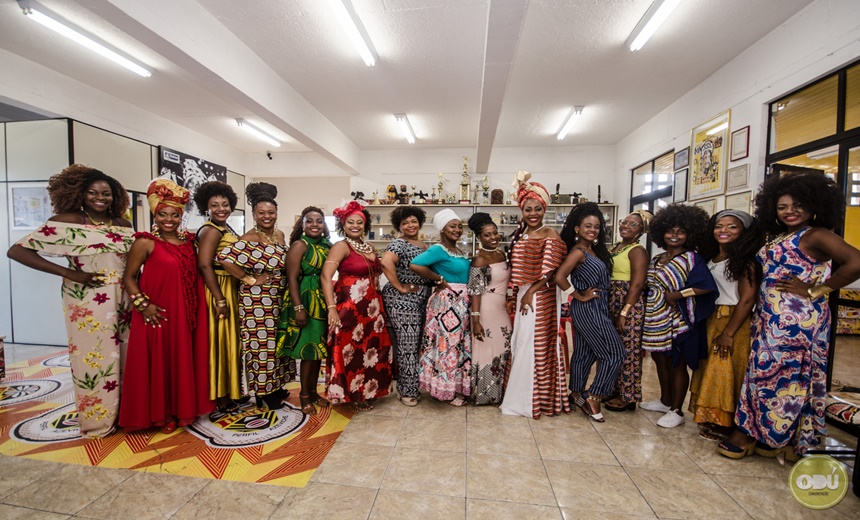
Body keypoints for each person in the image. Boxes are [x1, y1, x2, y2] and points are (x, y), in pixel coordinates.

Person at [719, 173, 860, 460]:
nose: (790, 211)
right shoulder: (783, 235)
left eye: (797, 205)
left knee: (776, 376)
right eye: (783, 207)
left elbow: (856, 262)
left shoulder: (817, 234)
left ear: (813, 204)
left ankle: (750, 433)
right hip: (771, 319)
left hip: (799, 321)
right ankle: (769, 436)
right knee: (768, 375)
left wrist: (815, 290)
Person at [7, 165, 134, 438]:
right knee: (94, 359)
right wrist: (68, 272)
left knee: (126, 357)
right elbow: (17, 251)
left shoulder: (123, 224)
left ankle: (125, 415)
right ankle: (98, 422)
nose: (101, 197)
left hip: (124, 298)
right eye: (93, 192)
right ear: (80, 194)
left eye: (107, 193)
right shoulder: (68, 221)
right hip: (88, 298)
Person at [119, 178, 213, 432]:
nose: (169, 219)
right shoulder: (145, 242)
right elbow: (128, 277)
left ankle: (184, 410)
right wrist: (143, 305)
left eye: (174, 215)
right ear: (155, 214)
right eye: (163, 214)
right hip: (157, 314)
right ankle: (163, 415)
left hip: (185, 314)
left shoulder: (189, 242)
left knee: (182, 361)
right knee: (161, 363)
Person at [218, 182, 296, 410]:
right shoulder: (249, 238)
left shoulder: (280, 234)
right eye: (261, 213)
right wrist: (249, 278)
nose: (266, 216)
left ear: (277, 214)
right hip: (257, 301)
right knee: (261, 346)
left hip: (279, 297)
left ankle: (276, 385)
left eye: (271, 212)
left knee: (277, 344)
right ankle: (264, 393)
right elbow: (224, 258)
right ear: (253, 214)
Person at [639, 203, 717, 428]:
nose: (674, 235)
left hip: (677, 319)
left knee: (676, 363)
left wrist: (679, 294)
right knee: (659, 359)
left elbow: (706, 286)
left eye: (680, 231)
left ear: (690, 234)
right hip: (655, 318)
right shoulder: (657, 259)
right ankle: (664, 401)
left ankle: (677, 410)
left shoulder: (692, 258)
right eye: (670, 230)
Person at [500, 171, 569, 419]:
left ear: (544, 209)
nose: (532, 214)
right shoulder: (523, 234)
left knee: (534, 344)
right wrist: (516, 293)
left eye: (537, 209)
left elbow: (551, 271)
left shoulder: (550, 234)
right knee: (523, 342)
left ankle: (530, 402)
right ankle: (522, 397)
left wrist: (529, 292)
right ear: (522, 211)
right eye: (528, 209)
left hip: (540, 296)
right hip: (525, 294)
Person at [689, 210, 762, 440]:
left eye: (732, 227)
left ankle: (727, 422)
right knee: (710, 368)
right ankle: (710, 417)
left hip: (732, 319)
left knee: (724, 370)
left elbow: (747, 299)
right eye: (719, 226)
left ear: (744, 232)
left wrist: (729, 332)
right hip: (711, 317)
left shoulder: (745, 262)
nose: (724, 231)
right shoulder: (712, 258)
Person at [555, 203, 625, 422]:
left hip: (598, 306)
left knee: (584, 353)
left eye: (596, 226)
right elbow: (559, 277)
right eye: (588, 226)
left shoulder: (596, 250)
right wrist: (579, 295)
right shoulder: (578, 252)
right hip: (588, 307)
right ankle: (594, 396)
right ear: (577, 229)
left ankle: (576, 394)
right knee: (615, 354)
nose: (592, 230)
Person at [322, 201, 393, 411]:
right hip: (349, 306)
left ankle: (367, 391)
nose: (355, 226)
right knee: (349, 350)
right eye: (350, 222)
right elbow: (326, 277)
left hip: (371, 307)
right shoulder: (341, 246)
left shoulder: (369, 246)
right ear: (343, 225)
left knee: (370, 350)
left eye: (359, 222)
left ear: (365, 225)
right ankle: (351, 394)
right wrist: (331, 307)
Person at [410, 209, 472, 405]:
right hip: (447, 303)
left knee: (458, 345)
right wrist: (438, 279)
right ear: (442, 230)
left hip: (461, 301)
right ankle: (445, 391)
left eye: (459, 226)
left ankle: (453, 387)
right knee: (448, 346)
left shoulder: (458, 251)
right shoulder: (438, 249)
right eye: (452, 226)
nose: (457, 230)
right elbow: (415, 264)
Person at [276, 206, 332, 415]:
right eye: (310, 221)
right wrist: (299, 307)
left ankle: (314, 393)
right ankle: (304, 396)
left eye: (319, 220)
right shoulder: (300, 245)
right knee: (308, 351)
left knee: (318, 352)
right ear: (302, 224)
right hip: (305, 300)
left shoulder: (327, 245)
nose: (315, 224)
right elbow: (291, 278)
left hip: (322, 300)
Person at [194, 181, 243, 415]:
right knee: (220, 343)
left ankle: (231, 390)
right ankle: (220, 396)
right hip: (218, 287)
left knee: (230, 342)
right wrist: (220, 299)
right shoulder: (211, 229)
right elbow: (204, 265)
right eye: (215, 205)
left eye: (225, 204)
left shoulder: (225, 228)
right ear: (206, 207)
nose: (221, 208)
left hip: (229, 286)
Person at [380, 206, 430, 407]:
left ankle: (409, 385)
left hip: (420, 298)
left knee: (414, 345)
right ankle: (406, 391)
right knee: (408, 344)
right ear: (399, 226)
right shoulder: (399, 243)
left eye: (413, 221)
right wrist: (399, 287)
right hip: (403, 301)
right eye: (405, 223)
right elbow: (386, 263)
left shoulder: (422, 244)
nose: (410, 225)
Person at [604, 210, 652, 412]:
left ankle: (628, 396)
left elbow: (638, 283)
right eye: (625, 222)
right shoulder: (617, 247)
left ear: (642, 231)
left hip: (628, 302)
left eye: (633, 225)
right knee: (613, 349)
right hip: (613, 299)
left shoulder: (638, 250)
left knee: (629, 350)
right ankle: (613, 389)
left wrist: (625, 311)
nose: (626, 226)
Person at [467, 213, 512, 406]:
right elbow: (475, 292)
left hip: (501, 309)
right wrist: (476, 321)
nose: (493, 238)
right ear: (479, 237)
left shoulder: (501, 254)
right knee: (486, 350)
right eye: (487, 235)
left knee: (504, 347)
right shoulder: (480, 259)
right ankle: (486, 395)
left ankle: (501, 393)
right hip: (484, 309)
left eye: (495, 233)